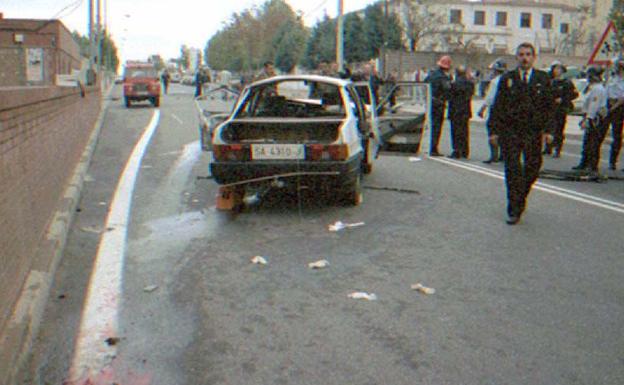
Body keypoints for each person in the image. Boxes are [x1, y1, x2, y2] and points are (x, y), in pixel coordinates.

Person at [489, 43, 553, 225]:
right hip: (511, 131)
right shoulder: (508, 79)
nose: (524, 58)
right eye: (521, 55)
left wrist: (549, 130)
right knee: (512, 169)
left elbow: (550, 107)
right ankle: (514, 210)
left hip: (533, 131)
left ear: (534, 57)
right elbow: (498, 106)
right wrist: (493, 131)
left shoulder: (542, 78)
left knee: (533, 167)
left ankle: (520, 197)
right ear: (516, 57)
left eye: (528, 55)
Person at [573, 67, 608, 173]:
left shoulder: (597, 89)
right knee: (587, 141)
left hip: (595, 119)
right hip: (591, 117)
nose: (588, 77)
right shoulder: (593, 88)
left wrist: (588, 119)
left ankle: (592, 165)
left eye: (589, 75)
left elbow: (594, 105)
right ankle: (584, 163)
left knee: (593, 143)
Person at [544, 61, 578, 157]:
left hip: (561, 109)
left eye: (559, 68)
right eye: (555, 68)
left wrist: (563, 99)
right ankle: (548, 147)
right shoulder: (551, 82)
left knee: (559, 129)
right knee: (549, 128)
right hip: (551, 109)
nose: (557, 71)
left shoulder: (567, 83)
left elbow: (574, 94)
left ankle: (557, 149)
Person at [478, 59, 507, 163]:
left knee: (493, 132)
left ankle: (494, 155)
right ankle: (503, 155)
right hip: (506, 110)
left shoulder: (495, 82)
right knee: (503, 133)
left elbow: (490, 97)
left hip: (496, 110)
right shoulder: (508, 80)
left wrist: (482, 108)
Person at [425, 55, 452, 156]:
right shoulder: (443, 77)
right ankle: (433, 148)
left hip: (429, 104)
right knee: (436, 127)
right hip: (438, 105)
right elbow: (448, 90)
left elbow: (424, 85)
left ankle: (428, 146)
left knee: (429, 126)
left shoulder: (431, 75)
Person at [448, 65, 474, 159]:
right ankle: (465, 151)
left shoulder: (454, 84)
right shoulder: (470, 84)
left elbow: (450, 96)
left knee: (455, 131)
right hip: (465, 110)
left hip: (455, 110)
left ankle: (457, 150)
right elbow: (470, 95)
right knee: (464, 131)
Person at [605, 59, 624, 170]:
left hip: (619, 107)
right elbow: (607, 91)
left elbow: (622, 98)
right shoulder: (612, 79)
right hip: (609, 105)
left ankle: (613, 161)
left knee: (617, 135)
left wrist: (614, 107)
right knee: (600, 132)